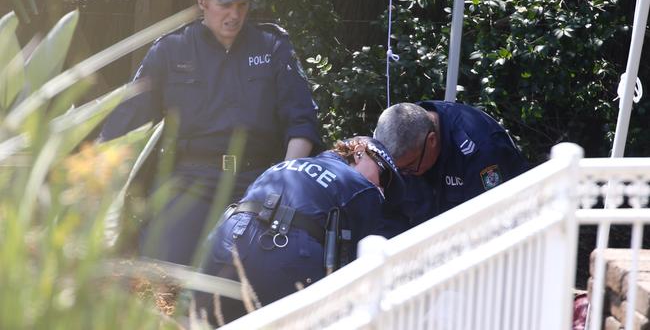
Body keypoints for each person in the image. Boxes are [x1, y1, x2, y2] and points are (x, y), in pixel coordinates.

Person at [98, 0, 320, 266]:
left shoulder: (272, 46)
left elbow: (302, 123)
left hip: (258, 181)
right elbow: (125, 124)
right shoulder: (171, 50)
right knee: (160, 268)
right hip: (191, 181)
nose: (235, 15)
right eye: (225, 4)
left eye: (242, 5)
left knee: (270, 269)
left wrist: (282, 184)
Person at [193, 136, 403, 325]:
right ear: (359, 153)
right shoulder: (363, 188)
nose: (381, 188)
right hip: (284, 252)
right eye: (383, 176)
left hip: (225, 239)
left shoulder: (289, 165)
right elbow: (358, 264)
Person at [373, 101, 529, 236]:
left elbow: (491, 221)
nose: (404, 175)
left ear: (431, 141)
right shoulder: (401, 128)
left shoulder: (480, 151)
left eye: (409, 168)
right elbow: (387, 216)